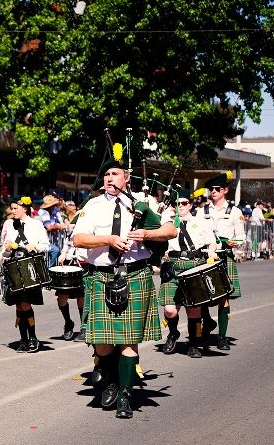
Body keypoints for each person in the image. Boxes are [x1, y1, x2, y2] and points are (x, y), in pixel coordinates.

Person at [73, 158, 176, 418]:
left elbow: (170, 230)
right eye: (106, 174)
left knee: (129, 342)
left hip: (135, 275)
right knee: (103, 343)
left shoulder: (144, 203)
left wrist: (147, 235)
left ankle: (124, 397)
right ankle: (110, 378)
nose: (109, 178)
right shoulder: (93, 205)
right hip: (102, 276)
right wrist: (107, 239)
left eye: (115, 173)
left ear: (126, 177)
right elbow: (78, 239)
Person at [158, 189, 219, 358]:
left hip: (194, 265)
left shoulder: (200, 222)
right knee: (170, 310)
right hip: (173, 265)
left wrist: (212, 253)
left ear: (190, 205)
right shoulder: (166, 223)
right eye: (176, 204)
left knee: (194, 310)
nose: (180, 206)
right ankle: (173, 333)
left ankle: (193, 344)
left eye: (184, 203)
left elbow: (211, 242)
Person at [197, 172, 244, 351]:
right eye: (211, 189)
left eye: (217, 189)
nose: (213, 192)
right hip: (206, 257)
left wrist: (235, 243)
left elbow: (241, 237)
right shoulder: (202, 211)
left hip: (224, 256)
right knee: (202, 295)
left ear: (225, 190)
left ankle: (222, 337)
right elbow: (199, 233)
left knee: (224, 298)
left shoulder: (235, 212)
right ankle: (207, 322)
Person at [0, 196, 50, 352]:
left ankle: (33, 337)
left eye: (16, 208)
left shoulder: (36, 224)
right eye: (12, 208)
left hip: (29, 267)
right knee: (18, 307)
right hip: (14, 267)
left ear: (25, 209)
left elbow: (46, 245)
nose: (13, 211)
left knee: (25, 304)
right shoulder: (11, 226)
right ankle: (23, 339)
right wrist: (6, 250)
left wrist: (34, 246)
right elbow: (5, 250)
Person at [56, 201, 86, 341]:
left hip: (83, 263)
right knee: (62, 297)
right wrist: (63, 253)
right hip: (69, 263)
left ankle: (84, 327)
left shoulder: (89, 228)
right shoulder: (72, 229)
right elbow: (67, 244)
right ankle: (68, 323)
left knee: (82, 297)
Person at [37, 194, 66, 267]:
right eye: (54, 205)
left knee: (57, 250)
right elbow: (49, 227)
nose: (55, 207)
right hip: (42, 241)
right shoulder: (44, 212)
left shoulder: (52, 213)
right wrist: (59, 227)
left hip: (49, 240)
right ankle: (48, 270)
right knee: (55, 250)